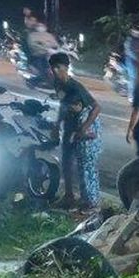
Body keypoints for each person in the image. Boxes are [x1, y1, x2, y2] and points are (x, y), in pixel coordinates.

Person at [49, 53, 102, 210]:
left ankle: (89, 202)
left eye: (58, 67)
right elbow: (63, 105)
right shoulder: (57, 83)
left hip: (81, 128)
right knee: (66, 161)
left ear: (66, 67)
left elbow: (96, 107)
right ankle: (69, 196)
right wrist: (56, 125)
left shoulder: (76, 87)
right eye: (53, 68)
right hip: (68, 127)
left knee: (84, 166)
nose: (55, 71)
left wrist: (83, 128)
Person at [63, 93, 103, 212]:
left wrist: (77, 135)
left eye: (72, 107)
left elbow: (92, 134)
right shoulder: (86, 113)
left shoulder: (84, 116)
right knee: (87, 175)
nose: (70, 109)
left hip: (87, 150)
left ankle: (91, 203)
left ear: (79, 104)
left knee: (87, 177)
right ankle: (87, 200)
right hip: (87, 150)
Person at [124, 27, 139, 101]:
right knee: (133, 77)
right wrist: (136, 57)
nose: (138, 32)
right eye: (136, 31)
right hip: (131, 60)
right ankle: (131, 96)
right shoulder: (129, 40)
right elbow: (128, 51)